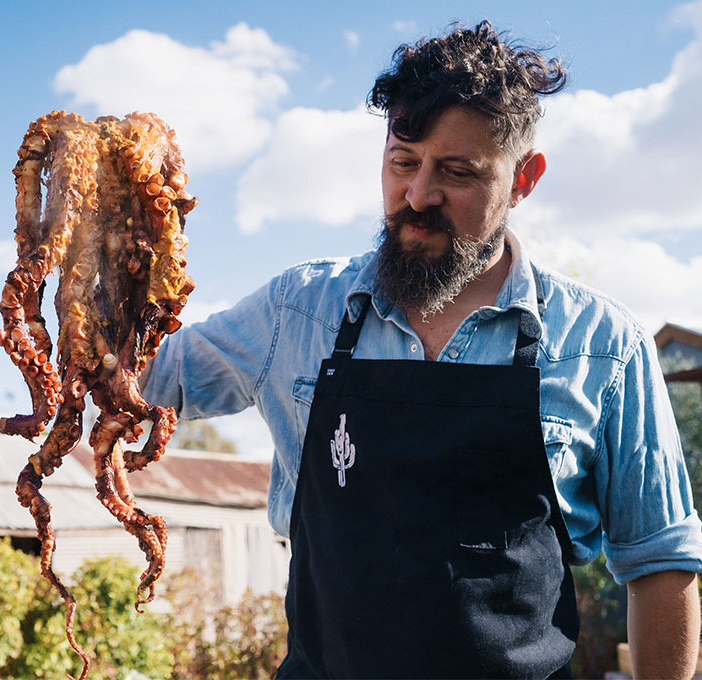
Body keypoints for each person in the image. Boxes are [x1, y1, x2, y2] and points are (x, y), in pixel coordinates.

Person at [142, 20, 702, 679]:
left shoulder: (603, 347)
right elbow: (145, 378)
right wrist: (98, 250)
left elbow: (659, 559)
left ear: (524, 178)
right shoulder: (297, 311)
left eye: (457, 173)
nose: (417, 196)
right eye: (403, 162)